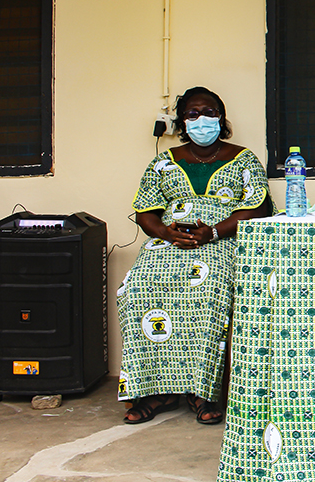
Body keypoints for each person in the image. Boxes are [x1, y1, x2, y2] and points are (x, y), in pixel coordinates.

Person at [118, 86, 271, 424]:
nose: (202, 120)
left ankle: (201, 392)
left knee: (209, 288)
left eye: (210, 112)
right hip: (170, 242)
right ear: (182, 122)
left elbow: (258, 208)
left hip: (221, 240)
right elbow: (146, 212)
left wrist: (212, 231)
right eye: (193, 114)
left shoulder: (243, 159)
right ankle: (157, 391)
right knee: (139, 285)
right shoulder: (163, 162)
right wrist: (166, 232)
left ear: (222, 117)